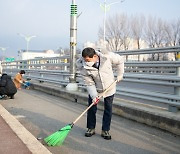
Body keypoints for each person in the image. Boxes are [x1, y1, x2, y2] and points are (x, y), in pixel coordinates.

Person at [76, 47, 124, 140]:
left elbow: (120, 60)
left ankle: (105, 130)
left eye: (88, 60)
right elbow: (89, 83)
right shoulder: (82, 66)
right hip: (95, 89)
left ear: (95, 56)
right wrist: (94, 96)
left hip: (109, 87)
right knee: (92, 108)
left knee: (108, 109)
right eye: (84, 60)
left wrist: (120, 74)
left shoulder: (107, 57)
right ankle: (91, 128)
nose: (86, 62)